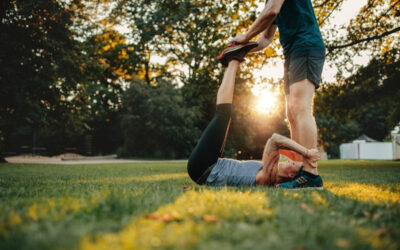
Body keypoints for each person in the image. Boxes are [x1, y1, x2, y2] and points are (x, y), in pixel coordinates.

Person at [187, 45, 321, 188]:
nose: (289, 161)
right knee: (225, 116)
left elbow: (275, 140)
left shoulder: (268, 176)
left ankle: (233, 60)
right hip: (212, 164)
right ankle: (231, 63)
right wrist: (300, 154)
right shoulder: (271, 168)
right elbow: (279, 146)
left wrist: (306, 153)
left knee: (223, 114)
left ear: (291, 175)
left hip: (204, 167)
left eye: (293, 164)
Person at [229, 0, 326, 188]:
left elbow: (271, 12)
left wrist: (246, 35)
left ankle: (311, 174)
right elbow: (265, 39)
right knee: (291, 114)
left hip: (306, 45)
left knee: (300, 108)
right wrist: (242, 47)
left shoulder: (272, 4)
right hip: (292, 52)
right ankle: (299, 170)